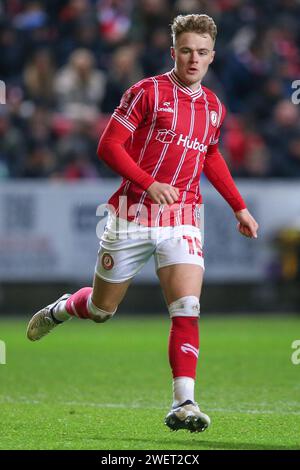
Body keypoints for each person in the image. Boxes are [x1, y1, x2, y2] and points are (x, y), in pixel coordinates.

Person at [27, 14, 259, 433]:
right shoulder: (147, 92)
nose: (193, 59)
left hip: (184, 216)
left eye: (202, 53)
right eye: (186, 50)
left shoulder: (213, 106)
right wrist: (149, 183)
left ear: (212, 56)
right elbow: (108, 146)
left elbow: (210, 155)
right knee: (101, 310)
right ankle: (63, 308)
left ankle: (184, 402)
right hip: (133, 214)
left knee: (187, 308)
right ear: (174, 52)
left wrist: (238, 206)